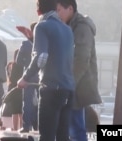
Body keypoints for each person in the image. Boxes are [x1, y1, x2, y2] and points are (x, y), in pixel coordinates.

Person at [17, 0, 75, 140]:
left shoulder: (42, 26)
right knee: (63, 136)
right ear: (56, 8)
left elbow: (41, 57)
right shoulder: (67, 29)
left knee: (47, 135)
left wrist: (25, 77)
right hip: (68, 89)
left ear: (38, 12)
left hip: (51, 89)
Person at [56, 0, 102, 140]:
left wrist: (68, 83)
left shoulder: (81, 27)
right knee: (71, 128)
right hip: (72, 84)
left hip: (77, 86)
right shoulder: (69, 26)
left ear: (70, 9)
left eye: (59, 10)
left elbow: (81, 60)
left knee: (76, 128)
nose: (57, 14)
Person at [16, 22, 39, 133]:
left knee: (28, 101)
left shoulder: (25, 44)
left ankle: (26, 126)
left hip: (28, 76)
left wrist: (26, 63)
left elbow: (18, 61)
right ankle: (39, 125)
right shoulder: (43, 42)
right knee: (41, 101)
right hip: (41, 76)